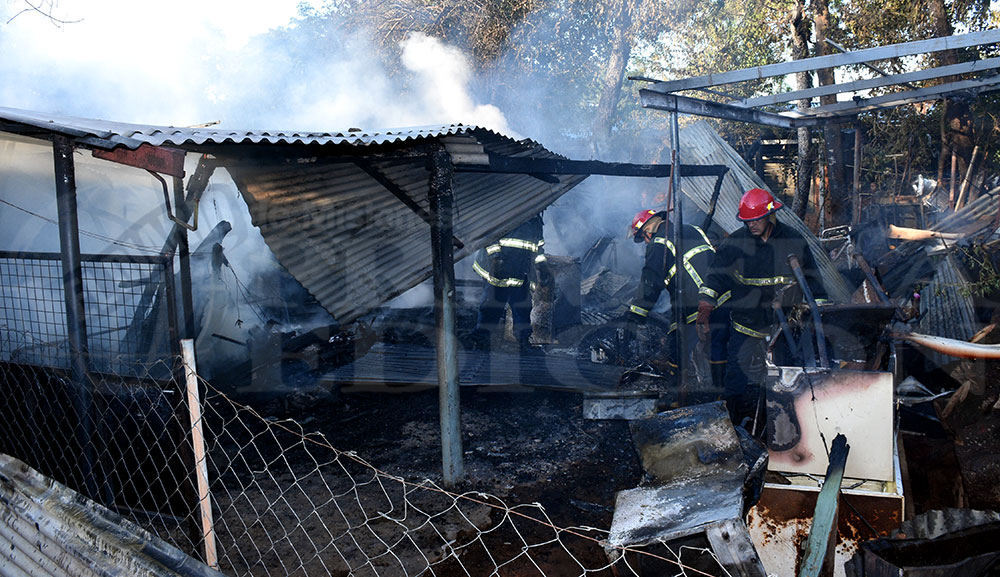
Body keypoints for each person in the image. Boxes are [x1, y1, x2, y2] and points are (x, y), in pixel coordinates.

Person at [695, 188, 828, 428]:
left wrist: (818, 317)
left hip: (785, 324)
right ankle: (732, 424)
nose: (751, 225)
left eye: (756, 219)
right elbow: (715, 278)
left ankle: (789, 424)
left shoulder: (793, 241)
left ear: (770, 215)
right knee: (736, 374)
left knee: (788, 375)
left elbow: (813, 281)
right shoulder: (735, 244)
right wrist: (705, 305)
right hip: (746, 321)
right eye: (747, 221)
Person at [625, 208, 715, 375]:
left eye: (643, 238)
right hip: (719, 296)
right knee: (717, 349)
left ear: (647, 231)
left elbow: (651, 281)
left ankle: (677, 388)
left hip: (693, 303)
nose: (646, 243)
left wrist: (636, 314)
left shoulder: (658, 242)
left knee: (676, 348)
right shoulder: (693, 229)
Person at [472, 214, 546, 353]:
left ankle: (523, 342)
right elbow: (489, 234)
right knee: (492, 305)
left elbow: (538, 247)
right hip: (498, 268)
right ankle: (481, 340)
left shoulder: (535, 219)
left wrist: (542, 267)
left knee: (522, 306)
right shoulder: (508, 210)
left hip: (520, 270)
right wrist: (495, 257)